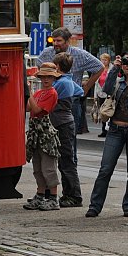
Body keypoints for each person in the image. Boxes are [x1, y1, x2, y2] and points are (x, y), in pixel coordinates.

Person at [85, 52, 128, 218]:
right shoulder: (117, 81)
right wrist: (114, 69)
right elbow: (105, 90)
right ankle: (95, 206)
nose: (127, 64)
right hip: (115, 130)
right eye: (124, 61)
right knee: (105, 169)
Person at [37, 27, 103, 158]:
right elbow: (39, 66)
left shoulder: (79, 54)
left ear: (67, 41)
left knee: (69, 139)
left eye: (59, 41)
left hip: (70, 101)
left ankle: (71, 166)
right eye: (54, 40)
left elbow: (99, 67)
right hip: (51, 99)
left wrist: (87, 87)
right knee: (49, 134)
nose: (55, 44)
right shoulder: (47, 53)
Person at [48, 52, 85, 208]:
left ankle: (74, 195)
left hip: (62, 123)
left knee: (67, 161)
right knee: (65, 160)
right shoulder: (67, 81)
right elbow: (80, 92)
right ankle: (68, 194)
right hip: (65, 122)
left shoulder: (61, 83)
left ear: (57, 67)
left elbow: (49, 96)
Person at [24, 63, 61, 211]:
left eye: (49, 77)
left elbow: (37, 109)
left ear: (53, 78)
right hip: (36, 134)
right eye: (43, 76)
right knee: (37, 167)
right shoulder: (39, 93)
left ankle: (53, 198)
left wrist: (29, 93)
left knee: (48, 168)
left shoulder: (52, 93)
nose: (46, 79)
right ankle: (40, 195)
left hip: (45, 134)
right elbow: (28, 108)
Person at [95, 53, 111, 137]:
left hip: (108, 94)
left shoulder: (111, 69)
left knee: (108, 112)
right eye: (102, 60)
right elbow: (96, 83)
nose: (104, 61)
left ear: (108, 61)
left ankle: (109, 129)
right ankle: (103, 130)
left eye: (105, 60)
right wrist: (95, 95)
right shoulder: (99, 69)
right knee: (102, 113)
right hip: (100, 93)